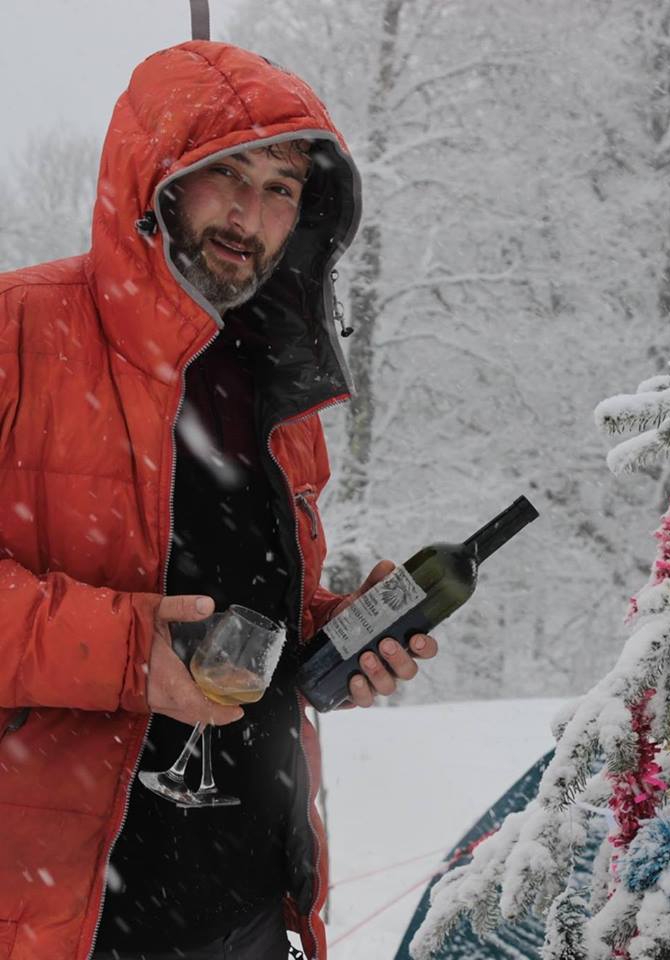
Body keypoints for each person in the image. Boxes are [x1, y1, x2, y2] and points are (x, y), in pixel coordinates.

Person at [0, 41, 436, 960]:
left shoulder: (276, 382)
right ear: (153, 181)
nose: (250, 213)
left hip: (245, 908)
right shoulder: (19, 331)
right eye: (223, 176)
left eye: (281, 188)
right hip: (64, 918)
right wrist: (124, 653)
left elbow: (252, 601)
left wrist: (335, 637)